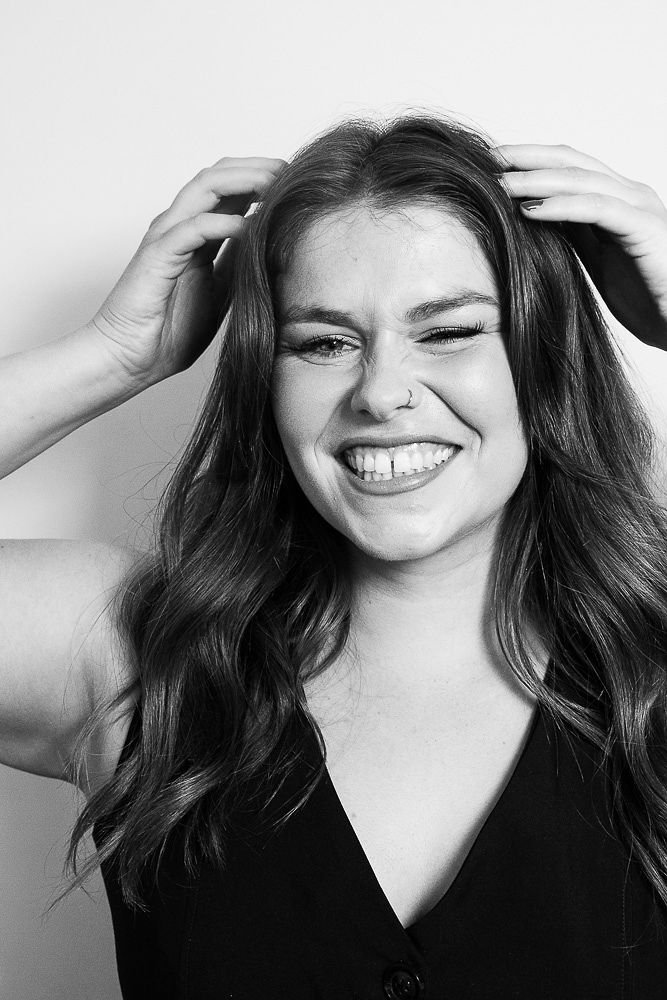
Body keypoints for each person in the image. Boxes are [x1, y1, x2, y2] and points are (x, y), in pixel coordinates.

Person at [2, 114, 667, 999]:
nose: (382, 391)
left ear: (544, 361)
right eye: (323, 342)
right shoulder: (131, 658)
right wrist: (114, 356)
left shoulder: (650, 665)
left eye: (449, 331)